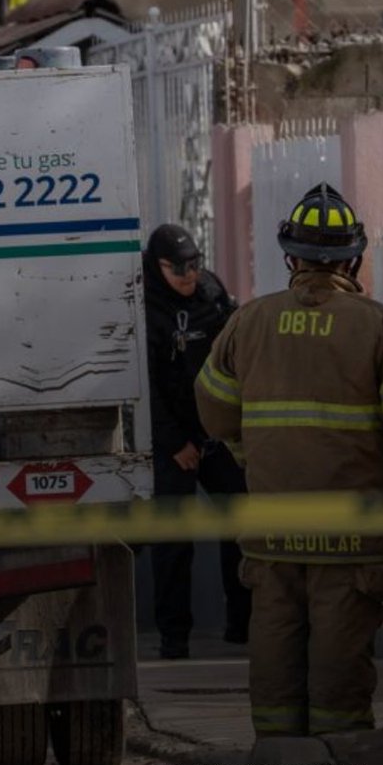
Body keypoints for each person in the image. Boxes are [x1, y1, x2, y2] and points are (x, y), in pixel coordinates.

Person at [194, 183, 383, 738]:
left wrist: (248, 453)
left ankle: (277, 762)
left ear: (291, 256)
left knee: (275, 640)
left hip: (273, 528)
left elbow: (214, 408)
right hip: (349, 531)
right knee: (340, 649)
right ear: (352, 257)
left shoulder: (249, 322)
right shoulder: (378, 325)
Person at [143, 223, 251, 659]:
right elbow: (146, 384)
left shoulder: (210, 293)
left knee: (242, 519)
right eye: (179, 268)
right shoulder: (144, 305)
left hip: (215, 432)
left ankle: (242, 625)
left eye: (195, 264)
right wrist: (174, 442)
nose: (189, 275)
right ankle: (174, 638)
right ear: (157, 266)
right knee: (173, 541)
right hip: (171, 438)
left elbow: (233, 357)